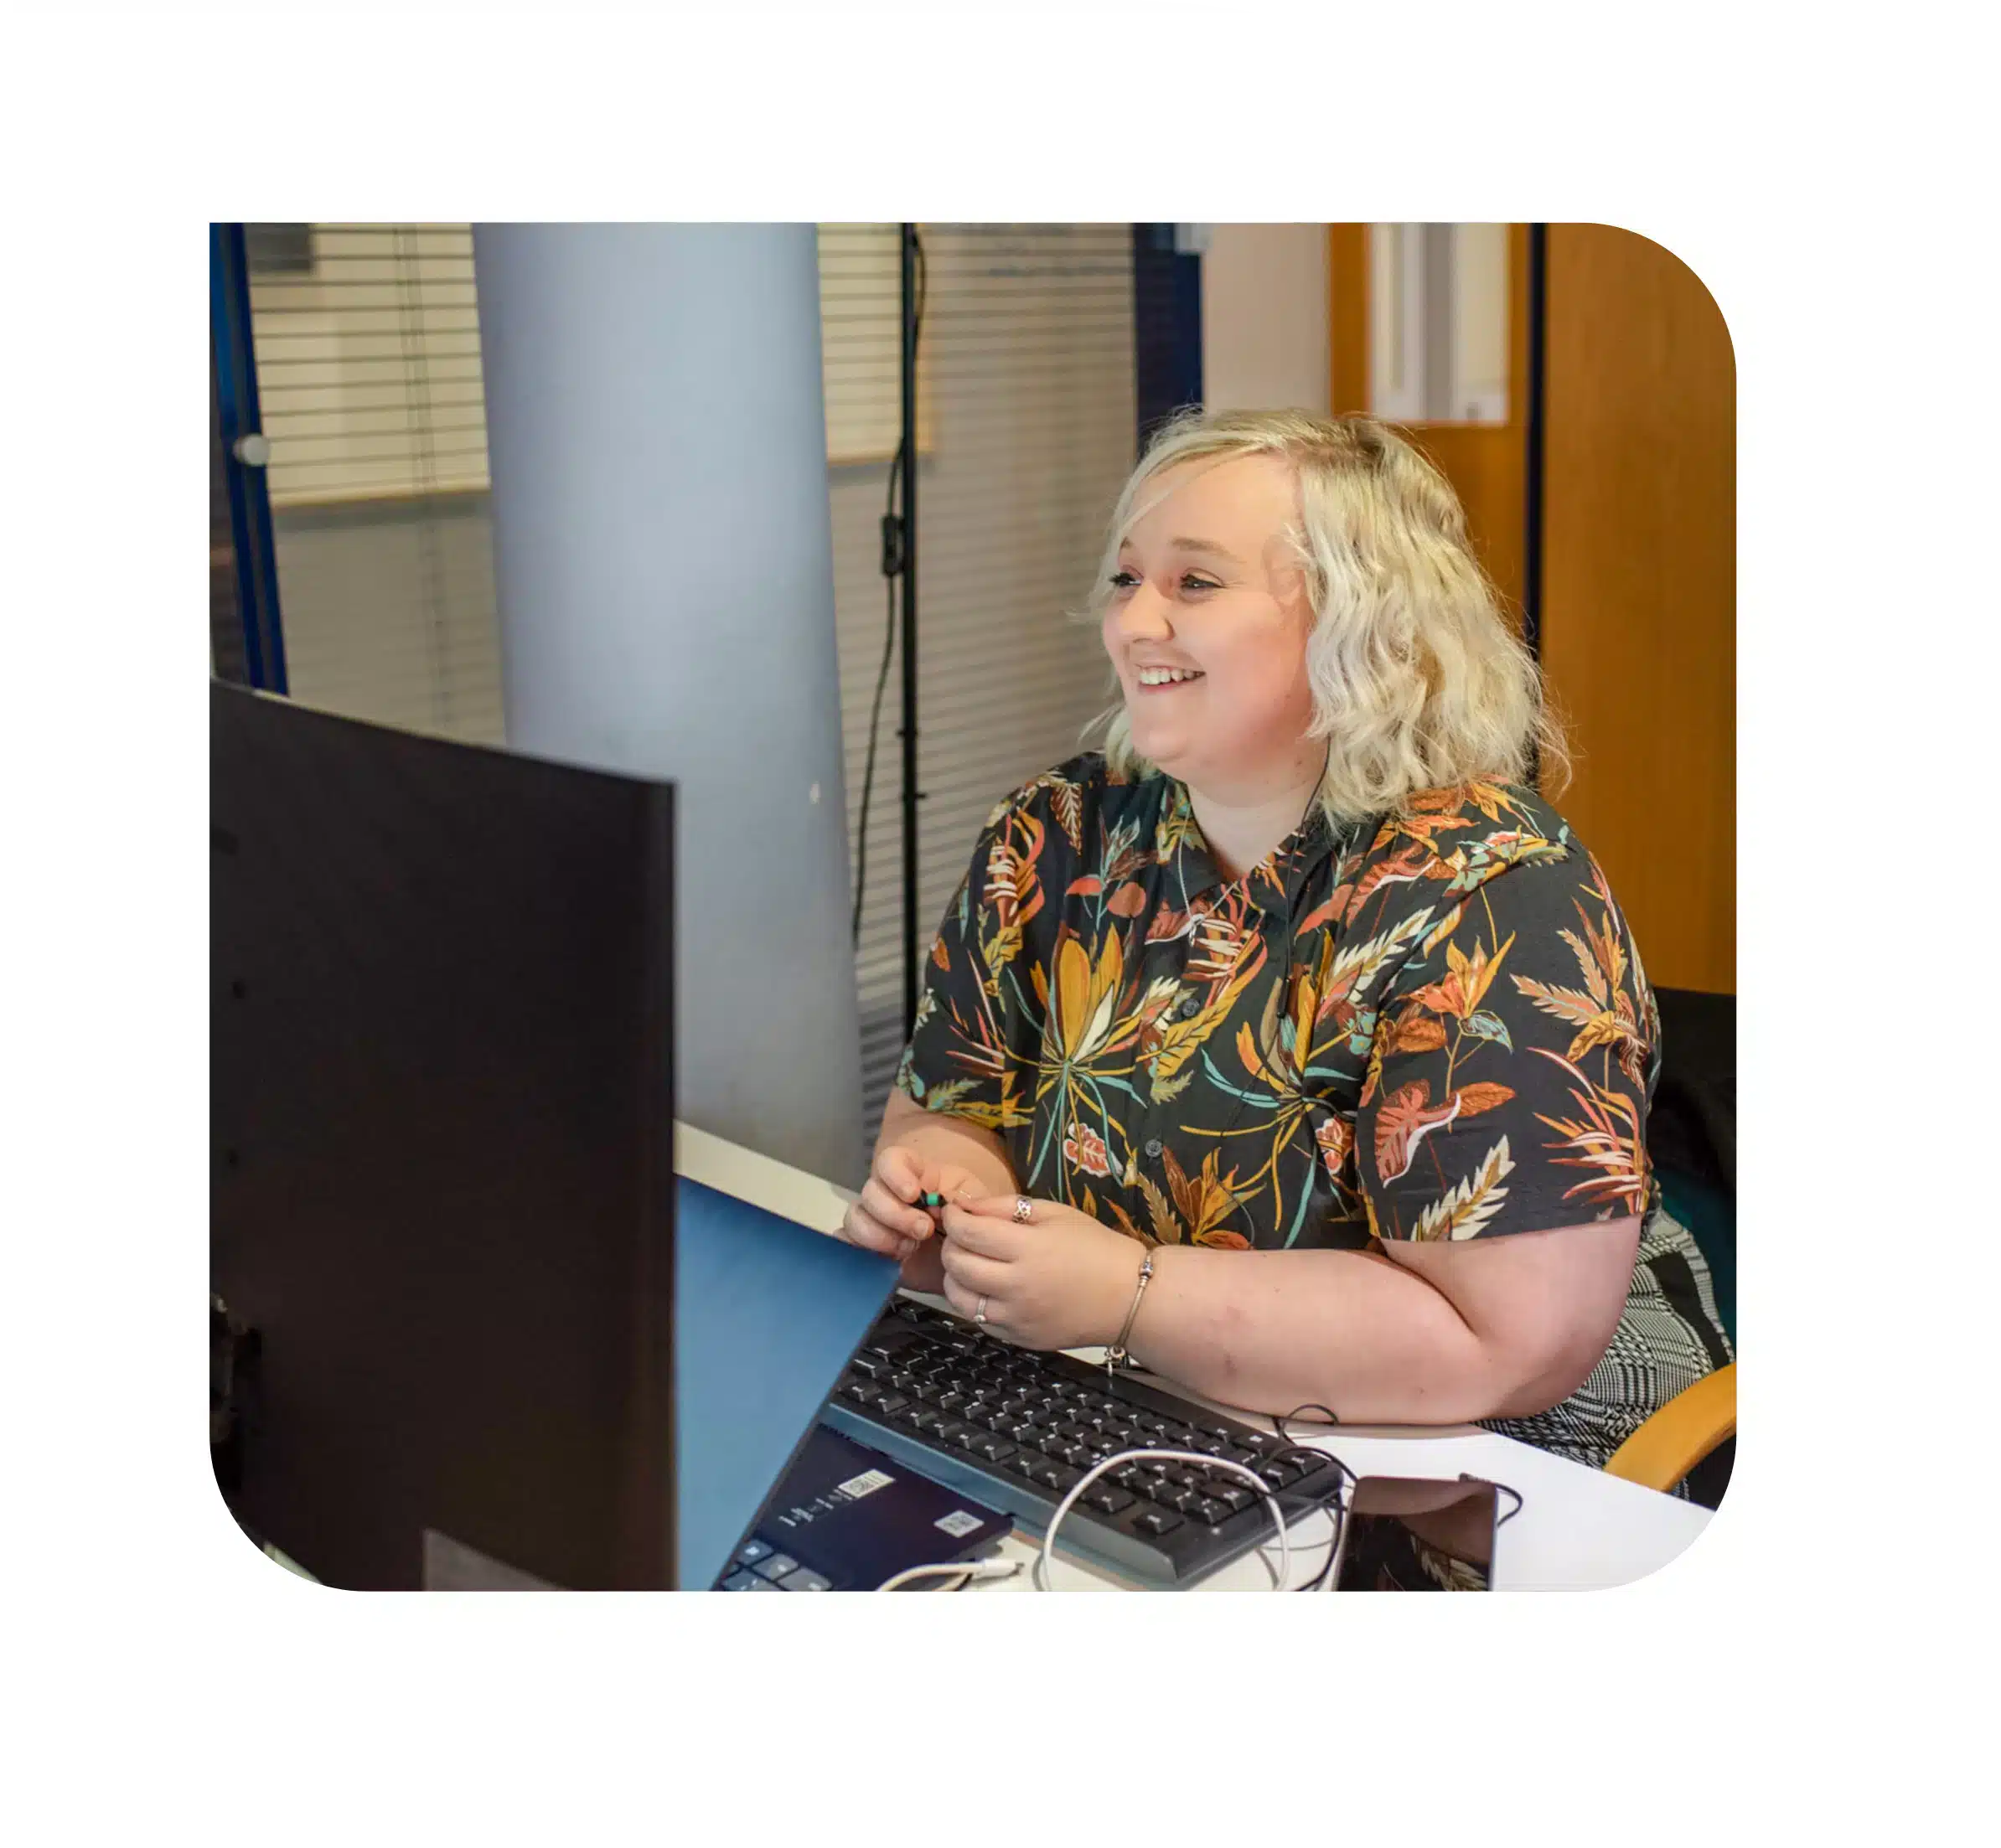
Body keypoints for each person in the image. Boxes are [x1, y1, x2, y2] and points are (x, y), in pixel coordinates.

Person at [838, 408, 1731, 1479]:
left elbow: (1502, 1344)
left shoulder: (1494, 892)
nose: (1133, 622)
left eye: (1194, 583)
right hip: (1147, 1400)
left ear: (1365, 625)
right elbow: (951, 1112)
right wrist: (942, 1193)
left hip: (1486, 1458)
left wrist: (1129, 1293)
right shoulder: (1055, 836)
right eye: (1127, 579)